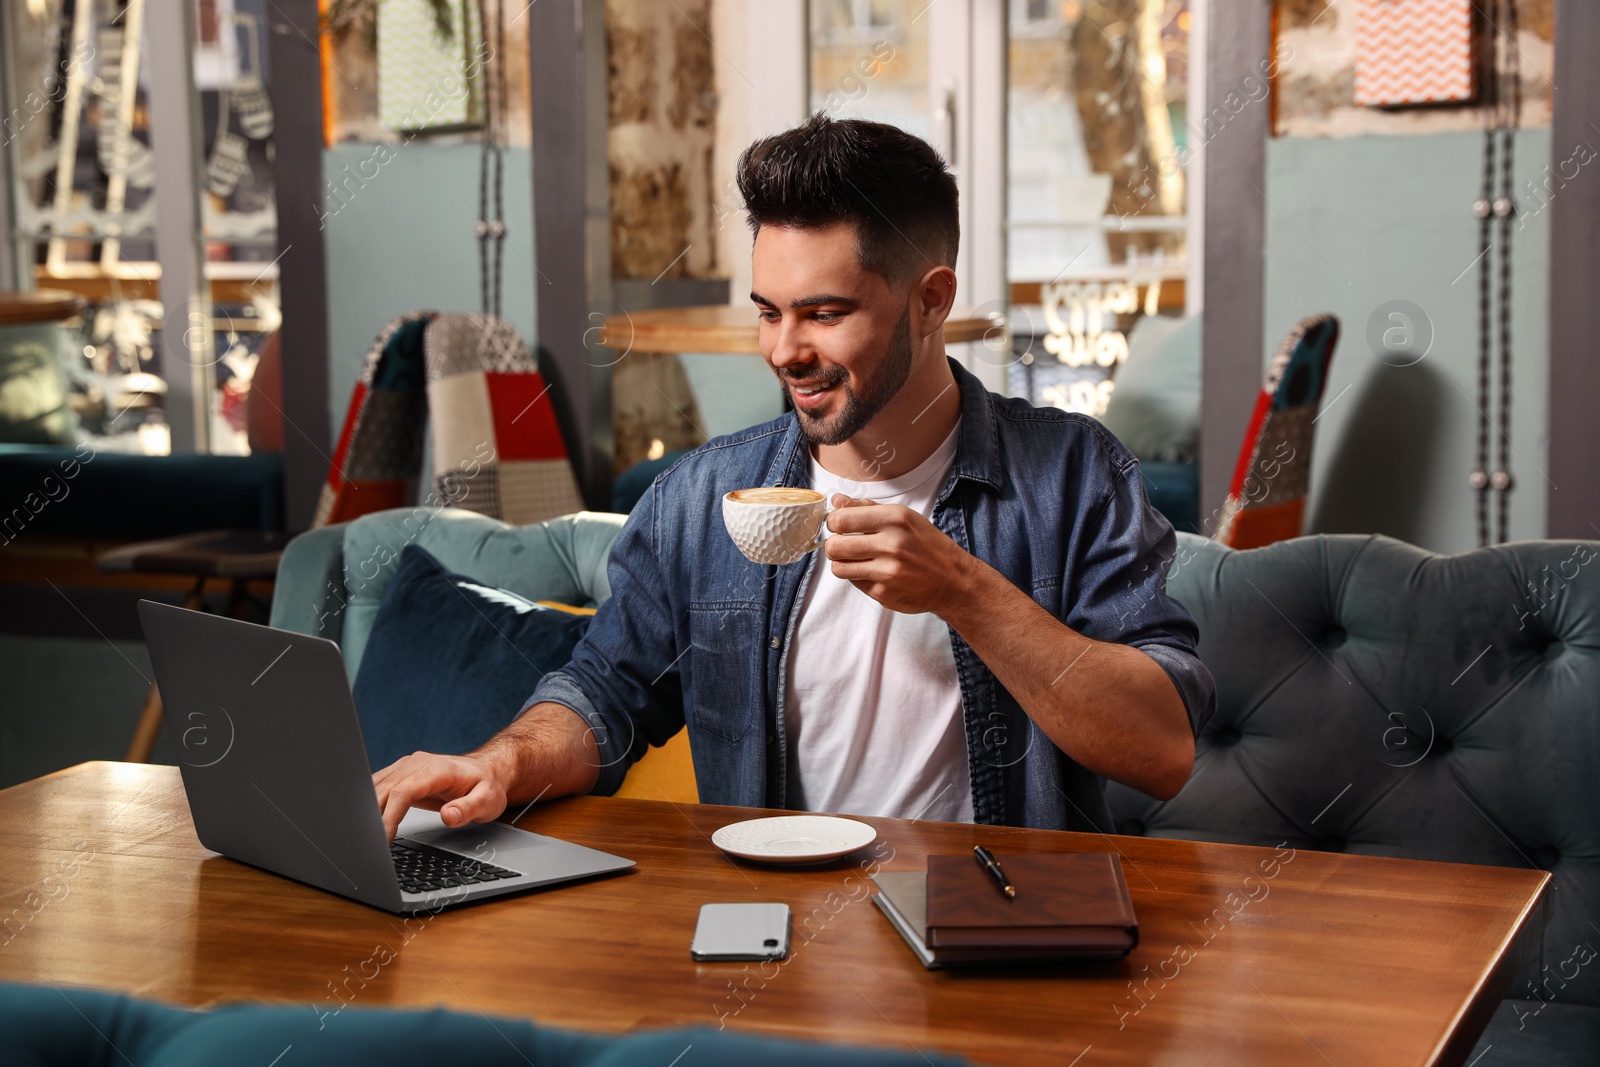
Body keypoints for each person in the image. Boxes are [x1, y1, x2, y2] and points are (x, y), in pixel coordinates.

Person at [373, 114, 1214, 839]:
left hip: (990, 931)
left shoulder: (1074, 474)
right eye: (769, 312)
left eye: (825, 313)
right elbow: (602, 693)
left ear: (931, 300)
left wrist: (963, 588)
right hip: (768, 934)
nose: (784, 351)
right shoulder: (700, 499)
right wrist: (499, 763)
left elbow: (1162, 749)